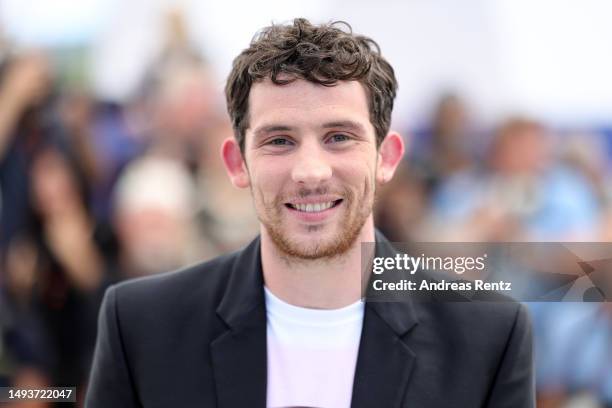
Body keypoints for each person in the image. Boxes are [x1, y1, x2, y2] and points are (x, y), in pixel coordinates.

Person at [86, 18, 534, 407]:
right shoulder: (142, 325)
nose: (311, 171)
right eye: (279, 140)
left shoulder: (488, 336)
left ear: (387, 157)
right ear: (236, 164)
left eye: (339, 136)